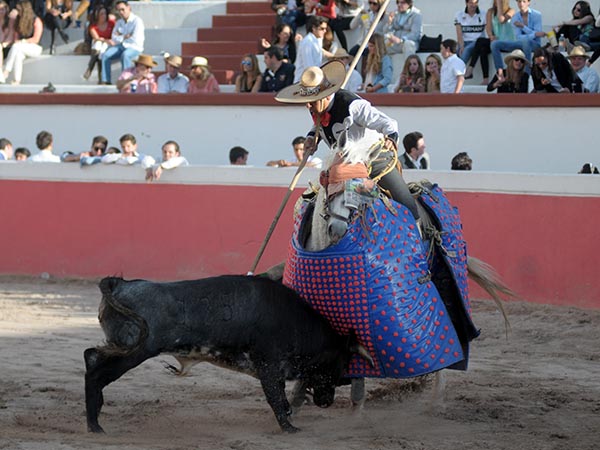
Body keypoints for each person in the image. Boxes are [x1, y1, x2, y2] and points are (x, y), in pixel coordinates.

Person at [275, 60, 420, 221]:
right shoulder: (318, 107)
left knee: (407, 206)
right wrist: (311, 138)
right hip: (342, 166)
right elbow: (319, 126)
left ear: (326, 96)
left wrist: (391, 138)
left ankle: (419, 232)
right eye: (306, 102)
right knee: (312, 206)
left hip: (373, 161)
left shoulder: (353, 105)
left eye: (312, 101)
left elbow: (388, 123)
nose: (308, 106)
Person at [490, 0, 544, 73]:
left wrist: (523, 27)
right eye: (519, 1)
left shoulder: (537, 15)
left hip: (535, 44)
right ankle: (500, 72)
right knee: (495, 44)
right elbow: (519, 37)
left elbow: (537, 35)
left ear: (529, 2)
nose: (521, 4)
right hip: (519, 43)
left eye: (524, 1)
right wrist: (533, 34)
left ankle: (526, 73)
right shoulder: (515, 17)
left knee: (526, 42)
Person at [100, 0, 145, 85]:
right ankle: (106, 80)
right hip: (122, 46)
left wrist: (120, 37)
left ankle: (126, 80)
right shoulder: (119, 22)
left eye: (122, 9)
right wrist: (125, 36)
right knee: (106, 55)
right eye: (119, 10)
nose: (121, 12)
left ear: (129, 8)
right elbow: (114, 37)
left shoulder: (137, 21)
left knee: (125, 55)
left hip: (135, 47)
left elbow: (135, 39)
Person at [2, 0, 43, 85]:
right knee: (18, 55)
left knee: (17, 46)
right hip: (21, 47)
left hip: (34, 47)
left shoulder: (36, 20)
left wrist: (23, 41)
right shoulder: (17, 20)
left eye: (19, 9)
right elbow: (15, 38)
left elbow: (36, 39)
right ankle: (17, 80)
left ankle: (6, 71)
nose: (17, 11)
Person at [455, 0, 487, 82]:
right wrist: (461, 45)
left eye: (475, 2)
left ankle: (457, 75)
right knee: (455, 53)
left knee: (467, 50)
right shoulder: (459, 14)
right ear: (466, 3)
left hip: (476, 42)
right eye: (471, 2)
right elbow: (459, 33)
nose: (473, 5)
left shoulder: (483, 14)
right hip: (464, 41)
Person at [83, 4, 115, 82]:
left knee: (102, 48)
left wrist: (105, 41)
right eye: (101, 14)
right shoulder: (93, 26)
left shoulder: (111, 23)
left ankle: (90, 69)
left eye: (104, 13)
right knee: (98, 45)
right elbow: (96, 38)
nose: (103, 16)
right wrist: (104, 40)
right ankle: (93, 72)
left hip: (108, 44)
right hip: (100, 42)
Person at [294, 15, 329, 83]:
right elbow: (309, 66)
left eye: (325, 29)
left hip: (312, 80)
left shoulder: (317, 41)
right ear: (314, 28)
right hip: (303, 83)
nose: (324, 31)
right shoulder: (308, 42)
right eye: (322, 28)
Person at [485, 0, 515, 80]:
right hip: (496, 40)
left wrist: (499, 7)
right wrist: (491, 36)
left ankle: (500, 71)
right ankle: (486, 77)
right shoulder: (490, 12)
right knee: (481, 45)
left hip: (508, 41)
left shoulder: (511, 11)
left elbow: (501, 20)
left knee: (489, 44)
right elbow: (488, 28)